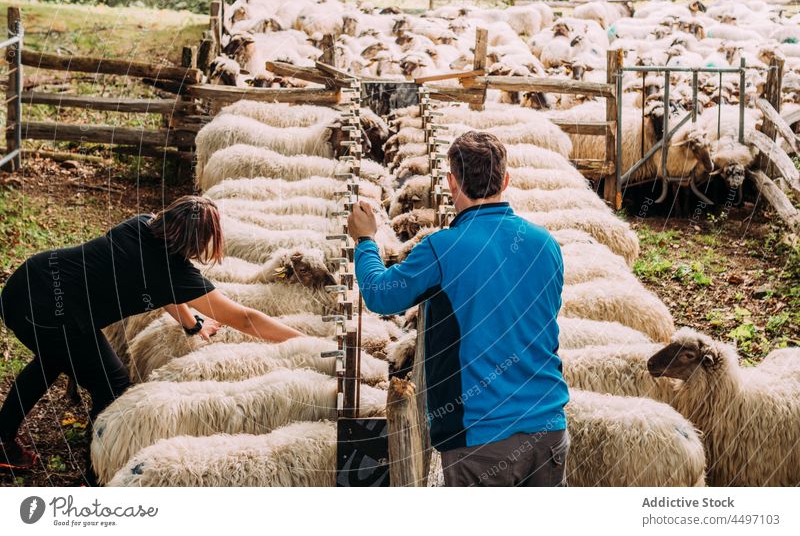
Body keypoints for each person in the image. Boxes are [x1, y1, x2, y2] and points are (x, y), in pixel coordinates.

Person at [0, 195, 304, 479]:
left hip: (27, 282)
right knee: (113, 386)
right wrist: (304, 343)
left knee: (51, 361)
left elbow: (162, 290)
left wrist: (191, 324)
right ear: (196, 241)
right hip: (52, 317)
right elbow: (245, 319)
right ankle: (94, 478)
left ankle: (2, 440)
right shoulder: (173, 272)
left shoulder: (141, 224)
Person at [348, 131, 570, 487]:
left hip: (480, 436)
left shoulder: (443, 249)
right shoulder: (545, 244)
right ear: (506, 180)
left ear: (451, 182)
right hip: (548, 428)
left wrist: (365, 241)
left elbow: (380, 294)